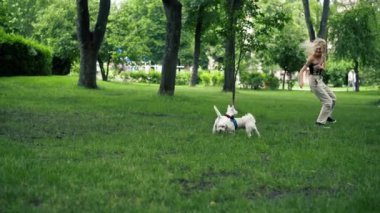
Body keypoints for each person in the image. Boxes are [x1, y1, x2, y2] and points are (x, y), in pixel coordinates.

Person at [299, 38, 336, 127]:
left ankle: (327, 116)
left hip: (320, 80)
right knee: (328, 102)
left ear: (323, 49)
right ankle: (320, 122)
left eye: (320, 49)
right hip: (314, 81)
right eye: (317, 49)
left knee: (333, 98)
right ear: (314, 49)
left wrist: (322, 68)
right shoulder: (311, 58)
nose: (318, 51)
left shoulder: (323, 57)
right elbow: (302, 70)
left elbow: (323, 67)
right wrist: (301, 81)